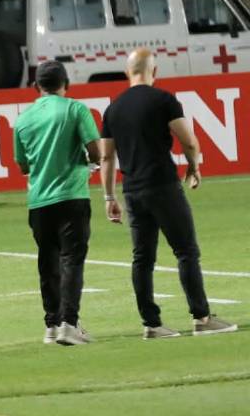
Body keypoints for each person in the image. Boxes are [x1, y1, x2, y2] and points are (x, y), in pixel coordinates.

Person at [100, 48, 237, 339]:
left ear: (127, 73)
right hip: (162, 185)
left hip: (133, 190)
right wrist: (194, 167)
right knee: (186, 250)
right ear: (155, 71)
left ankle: (152, 324)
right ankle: (201, 317)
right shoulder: (163, 100)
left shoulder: (113, 109)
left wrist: (109, 197)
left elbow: (107, 158)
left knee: (142, 258)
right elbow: (188, 141)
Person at [13, 60, 101, 346]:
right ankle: (69, 324)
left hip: (38, 201)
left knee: (47, 262)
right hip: (72, 196)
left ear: (37, 86)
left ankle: (51, 324)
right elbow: (96, 152)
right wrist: (89, 164)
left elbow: (23, 166)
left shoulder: (23, 118)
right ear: (66, 84)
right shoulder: (76, 109)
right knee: (71, 261)